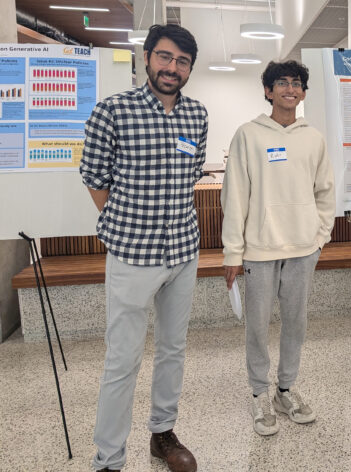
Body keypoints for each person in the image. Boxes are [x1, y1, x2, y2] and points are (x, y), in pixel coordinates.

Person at [80, 24, 207, 472]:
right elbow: (94, 177)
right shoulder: (113, 110)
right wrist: (128, 222)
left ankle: (162, 433)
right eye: (166, 57)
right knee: (122, 360)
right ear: (148, 58)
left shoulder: (197, 115)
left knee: (173, 349)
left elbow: (190, 175)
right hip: (133, 255)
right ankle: (109, 458)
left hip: (183, 252)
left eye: (183, 61)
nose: (173, 68)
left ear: (190, 68)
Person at [221, 60, 335, 436]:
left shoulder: (312, 137)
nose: (290, 89)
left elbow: (325, 193)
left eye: (297, 83)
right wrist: (232, 253)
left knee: (296, 322)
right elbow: (234, 197)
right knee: (257, 325)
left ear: (303, 92)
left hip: (303, 248)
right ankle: (259, 394)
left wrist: (320, 237)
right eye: (282, 83)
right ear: (268, 90)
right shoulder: (248, 135)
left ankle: (285, 390)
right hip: (258, 251)